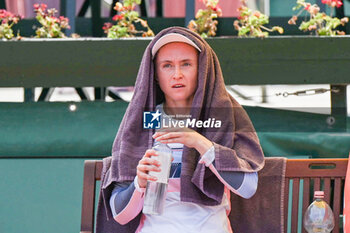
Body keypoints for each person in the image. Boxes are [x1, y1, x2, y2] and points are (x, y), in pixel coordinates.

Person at [98, 26, 265, 233]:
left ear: (202, 69)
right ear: (155, 74)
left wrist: (199, 142)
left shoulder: (221, 116)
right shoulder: (145, 120)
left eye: (186, 64)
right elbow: (120, 215)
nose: (177, 74)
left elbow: (248, 188)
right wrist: (139, 182)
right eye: (167, 65)